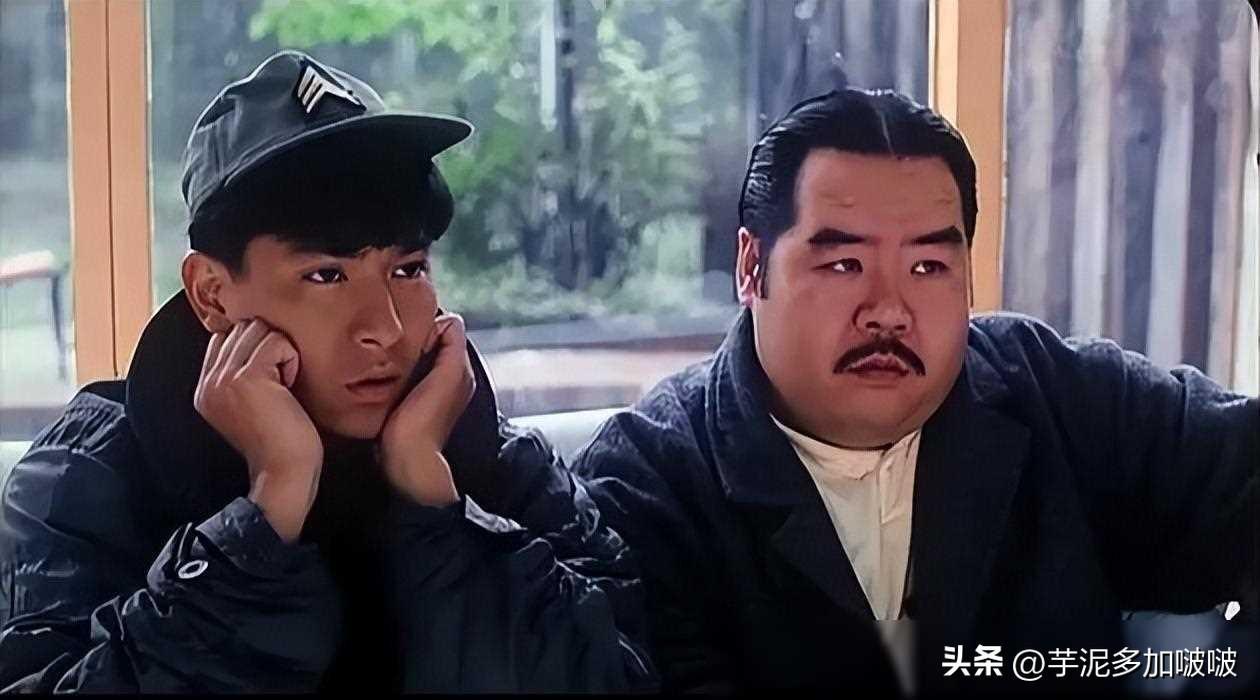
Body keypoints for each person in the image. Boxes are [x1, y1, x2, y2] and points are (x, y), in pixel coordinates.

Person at [0, 51, 654, 693]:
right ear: (211, 294)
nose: (386, 329)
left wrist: (436, 505)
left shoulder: (501, 463)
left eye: (408, 270)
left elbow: (623, 675)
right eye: (326, 276)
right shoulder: (88, 476)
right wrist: (265, 517)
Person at [571, 88, 1259, 694]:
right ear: (752, 268)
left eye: (928, 266)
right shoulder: (649, 483)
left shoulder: (1053, 394)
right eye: (845, 264)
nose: (889, 311)